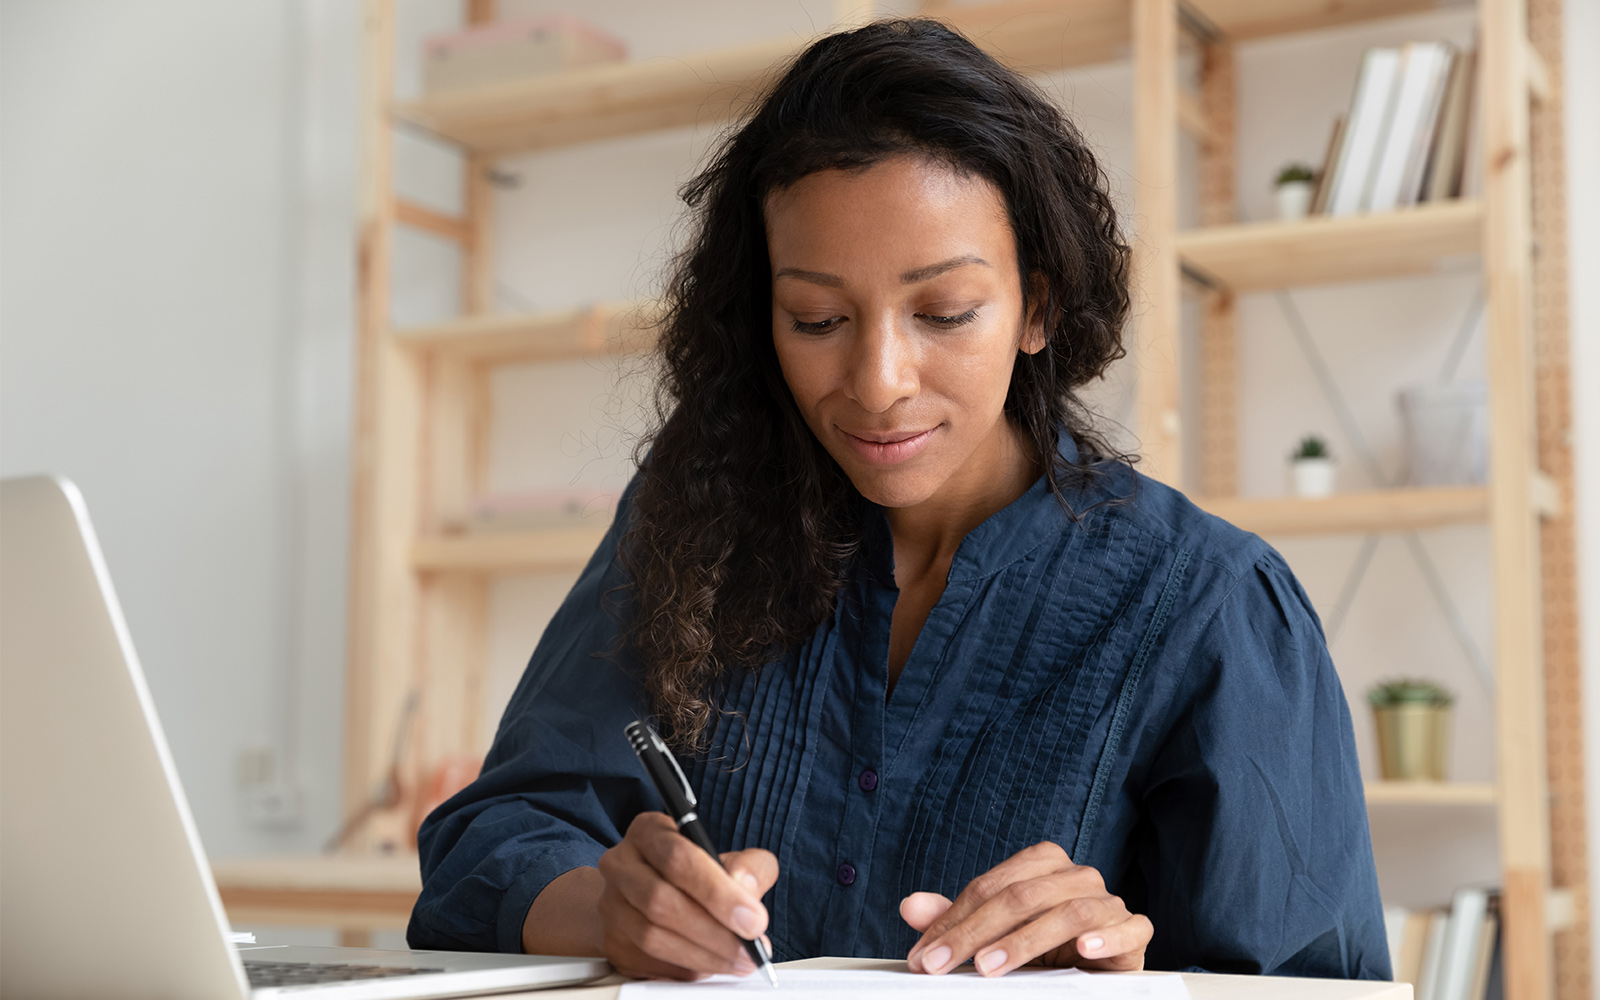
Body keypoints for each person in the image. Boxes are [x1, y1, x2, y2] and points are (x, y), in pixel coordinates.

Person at [407, 18, 1390, 982]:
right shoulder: (695, 523)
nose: (877, 380)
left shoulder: (1209, 605)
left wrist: (1119, 978)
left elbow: (1305, 981)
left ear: (1036, 306)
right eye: (817, 317)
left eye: (945, 312)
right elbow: (494, 839)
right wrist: (611, 909)